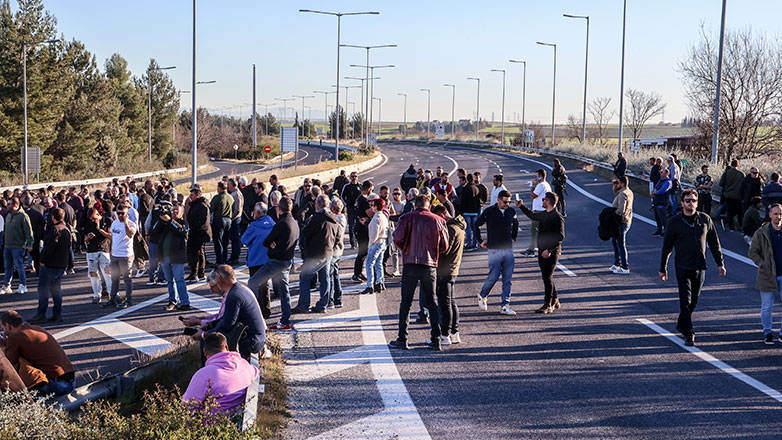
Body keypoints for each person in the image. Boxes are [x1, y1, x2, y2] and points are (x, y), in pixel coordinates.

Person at [659, 189, 726, 346]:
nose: (691, 203)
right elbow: (667, 247)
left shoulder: (704, 220)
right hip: (682, 266)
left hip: (700, 266)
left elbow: (714, 243)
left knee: (694, 301)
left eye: (694, 200)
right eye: (688, 200)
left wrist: (720, 263)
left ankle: (682, 323)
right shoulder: (674, 222)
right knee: (685, 300)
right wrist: (663, 268)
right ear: (682, 203)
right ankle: (689, 333)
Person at [389, 195, 449, 351]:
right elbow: (445, 245)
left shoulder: (406, 218)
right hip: (429, 264)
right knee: (432, 301)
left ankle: (403, 338)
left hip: (410, 263)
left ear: (415, 205)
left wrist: (405, 250)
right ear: (429, 206)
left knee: (406, 302)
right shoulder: (438, 220)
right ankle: (436, 339)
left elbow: (397, 237)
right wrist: (433, 253)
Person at [247, 196, 298, 331]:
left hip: (276, 261)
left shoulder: (281, 223)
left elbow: (266, 241)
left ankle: (253, 317)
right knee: (284, 292)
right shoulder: (294, 223)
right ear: (291, 208)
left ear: (279, 209)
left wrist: (272, 244)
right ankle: (285, 320)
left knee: (253, 282)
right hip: (287, 261)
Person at [1, 310, 75, 396]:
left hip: (58, 385)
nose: (4, 331)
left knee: (20, 360)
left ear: (8, 326)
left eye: (3, 328)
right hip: (71, 380)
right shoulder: (37, 328)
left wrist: (3, 345)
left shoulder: (14, 338)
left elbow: (9, 363)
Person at [182, 332, 259, 414]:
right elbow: (256, 372)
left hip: (213, 424)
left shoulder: (203, 375)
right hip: (240, 417)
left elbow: (187, 408)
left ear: (205, 352)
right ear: (226, 347)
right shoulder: (243, 364)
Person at [205, 265, 266, 361]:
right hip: (257, 337)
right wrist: (210, 325)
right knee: (214, 335)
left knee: (210, 343)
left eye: (216, 279)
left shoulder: (234, 296)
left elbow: (228, 325)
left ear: (220, 280)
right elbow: (227, 318)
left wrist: (205, 334)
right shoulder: (239, 289)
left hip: (252, 341)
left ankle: (209, 371)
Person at [517, 192, 565, 313]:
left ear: (548, 202)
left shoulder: (557, 217)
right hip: (542, 249)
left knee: (547, 276)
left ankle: (547, 304)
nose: (542, 201)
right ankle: (555, 299)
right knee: (546, 276)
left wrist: (549, 250)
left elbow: (560, 236)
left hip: (551, 251)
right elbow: (532, 215)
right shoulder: (544, 214)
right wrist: (521, 206)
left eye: (543, 199)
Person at [474, 190, 519, 315]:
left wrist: (513, 238)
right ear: (498, 200)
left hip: (508, 250)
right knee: (493, 277)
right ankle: (482, 295)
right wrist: (480, 241)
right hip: (494, 250)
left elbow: (515, 224)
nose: (507, 204)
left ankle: (505, 305)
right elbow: (476, 224)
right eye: (505, 201)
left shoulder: (511, 211)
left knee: (507, 279)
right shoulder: (490, 211)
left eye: (509, 202)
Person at [294, 195, 339, 314]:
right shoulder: (334, 218)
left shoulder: (317, 218)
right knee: (325, 279)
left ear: (318, 204)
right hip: (328, 252)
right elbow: (337, 237)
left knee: (304, 278)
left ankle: (304, 305)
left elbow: (306, 233)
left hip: (315, 253)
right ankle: (323, 305)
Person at [30, 208, 71, 324]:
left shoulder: (55, 229)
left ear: (53, 217)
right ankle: (57, 314)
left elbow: (49, 247)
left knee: (43, 289)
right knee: (56, 290)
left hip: (50, 264)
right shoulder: (66, 229)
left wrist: (42, 260)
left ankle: (41, 314)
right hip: (61, 264)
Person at [749, 203, 782, 345]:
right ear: (770, 215)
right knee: (767, 306)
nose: (778, 216)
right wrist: (763, 264)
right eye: (775, 214)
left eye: (780, 214)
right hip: (767, 274)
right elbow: (752, 252)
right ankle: (767, 332)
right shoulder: (762, 232)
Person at [432, 204, 465, 346]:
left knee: (445, 304)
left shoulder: (450, 228)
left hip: (446, 269)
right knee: (451, 302)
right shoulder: (459, 224)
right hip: (453, 269)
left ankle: (445, 334)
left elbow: (444, 250)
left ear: (441, 215)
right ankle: (454, 332)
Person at [241, 202, 275, 319]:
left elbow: (244, 240)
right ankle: (267, 310)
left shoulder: (254, 226)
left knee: (254, 286)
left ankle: (257, 312)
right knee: (265, 286)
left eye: (254, 211)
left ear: (258, 213)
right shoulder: (272, 223)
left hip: (255, 259)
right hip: (268, 259)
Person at [155, 203, 191, 311]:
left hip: (177, 257)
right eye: (173, 210)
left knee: (179, 279)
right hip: (164, 256)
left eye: (177, 211)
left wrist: (170, 220)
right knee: (169, 280)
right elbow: (155, 230)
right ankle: (172, 300)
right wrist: (162, 219)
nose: (175, 212)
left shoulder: (184, 223)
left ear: (182, 212)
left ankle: (185, 302)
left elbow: (181, 231)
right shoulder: (166, 223)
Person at [106, 204, 137, 309]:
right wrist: (110, 250)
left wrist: (125, 223)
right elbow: (112, 237)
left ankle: (129, 299)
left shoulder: (131, 224)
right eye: (118, 213)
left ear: (127, 213)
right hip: (114, 255)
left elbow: (130, 234)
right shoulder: (114, 223)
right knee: (114, 278)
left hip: (125, 255)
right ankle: (112, 298)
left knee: (127, 278)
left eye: (122, 213)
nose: (120, 215)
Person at [1, 197, 32, 295]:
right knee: (8, 267)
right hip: (8, 245)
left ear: (15, 205)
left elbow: (29, 232)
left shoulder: (23, 216)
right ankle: (6, 285)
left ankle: (23, 285)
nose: (7, 206)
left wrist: (29, 244)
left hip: (18, 246)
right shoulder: (8, 215)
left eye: (9, 204)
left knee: (19, 266)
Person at [83, 207, 112, 303]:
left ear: (98, 214)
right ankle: (96, 294)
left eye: (93, 218)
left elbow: (110, 235)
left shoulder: (107, 220)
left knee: (107, 273)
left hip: (104, 250)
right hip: (91, 251)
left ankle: (112, 293)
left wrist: (100, 229)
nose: (92, 220)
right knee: (93, 273)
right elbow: (85, 239)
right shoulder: (88, 223)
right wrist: (88, 238)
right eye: (91, 218)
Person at [522, 169, 552, 258]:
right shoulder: (547, 185)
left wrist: (533, 185)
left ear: (540, 176)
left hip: (538, 211)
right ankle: (542, 247)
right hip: (544, 211)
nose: (536, 177)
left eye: (537, 176)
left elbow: (533, 195)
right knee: (541, 231)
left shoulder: (540, 185)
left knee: (533, 231)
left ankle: (531, 250)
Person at [362, 198, 389, 295]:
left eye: (373, 205)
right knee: (379, 263)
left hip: (376, 243)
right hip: (383, 242)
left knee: (369, 264)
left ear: (376, 207)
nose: (371, 207)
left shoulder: (377, 217)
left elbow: (374, 234)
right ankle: (380, 282)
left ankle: (370, 285)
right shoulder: (383, 216)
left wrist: (370, 244)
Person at [186, 187, 211, 282]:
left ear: (198, 195)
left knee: (197, 253)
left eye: (192, 195)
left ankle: (196, 273)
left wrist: (193, 229)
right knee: (198, 252)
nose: (190, 197)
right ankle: (198, 272)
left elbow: (203, 221)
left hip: (199, 233)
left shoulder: (202, 206)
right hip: (196, 232)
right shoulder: (195, 205)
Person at [611, 176, 634, 274]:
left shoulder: (623, 194)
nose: (617, 184)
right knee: (615, 242)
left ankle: (624, 267)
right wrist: (615, 188)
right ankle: (617, 263)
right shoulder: (629, 192)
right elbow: (618, 196)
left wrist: (611, 214)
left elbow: (620, 210)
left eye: (619, 183)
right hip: (627, 220)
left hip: (621, 222)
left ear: (622, 183)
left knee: (620, 244)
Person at [352, 180, 373, 282]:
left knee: (363, 252)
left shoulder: (358, 198)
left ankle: (359, 272)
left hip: (359, 227)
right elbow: (369, 213)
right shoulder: (363, 200)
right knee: (362, 252)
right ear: (368, 189)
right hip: (361, 228)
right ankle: (356, 273)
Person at [329, 198, 347, 308]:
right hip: (339, 249)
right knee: (335, 273)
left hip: (334, 249)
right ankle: (337, 298)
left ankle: (331, 299)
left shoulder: (335, 219)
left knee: (330, 275)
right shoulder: (342, 218)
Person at [210, 181, 234, 266]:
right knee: (225, 241)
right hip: (229, 220)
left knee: (218, 241)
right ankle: (224, 259)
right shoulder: (230, 197)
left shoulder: (217, 198)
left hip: (219, 220)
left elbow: (211, 209)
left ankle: (219, 260)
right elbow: (233, 208)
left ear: (219, 188)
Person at [718, 159, 745, 231]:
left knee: (730, 211)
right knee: (739, 211)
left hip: (728, 195)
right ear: (737, 165)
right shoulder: (741, 174)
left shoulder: (727, 173)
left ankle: (731, 227)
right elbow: (744, 186)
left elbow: (721, 183)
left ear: (731, 164)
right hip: (738, 196)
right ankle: (741, 226)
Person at [459, 174, 481, 250]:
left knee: (468, 228)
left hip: (466, 211)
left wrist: (461, 210)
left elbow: (463, 201)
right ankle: (475, 243)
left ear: (467, 180)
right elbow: (478, 201)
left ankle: (469, 243)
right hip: (474, 211)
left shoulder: (465, 189)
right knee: (475, 228)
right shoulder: (476, 188)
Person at [341, 172, 362, 249]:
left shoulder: (360, 186)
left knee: (359, 225)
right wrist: (346, 205)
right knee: (351, 226)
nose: (354, 178)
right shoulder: (347, 186)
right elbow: (342, 196)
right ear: (350, 177)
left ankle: (359, 241)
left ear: (357, 177)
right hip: (350, 208)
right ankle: (353, 243)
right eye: (352, 176)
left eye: (355, 176)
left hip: (359, 209)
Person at [650, 168, 673, 237]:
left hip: (663, 202)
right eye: (660, 172)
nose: (660, 173)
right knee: (657, 217)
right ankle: (659, 230)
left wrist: (654, 192)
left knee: (663, 218)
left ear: (666, 173)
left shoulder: (667, 182)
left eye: (662, 172)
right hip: (657, 201)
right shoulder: (661, 180)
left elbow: (663, 190)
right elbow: (656, 187)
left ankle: (666, 232)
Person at [227, 179, 244, 265]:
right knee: (234, 238)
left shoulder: (236, 194)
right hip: (236, 218)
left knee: (235, 238)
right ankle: (233, 255)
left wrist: (231, 218)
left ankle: (235, 256)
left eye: (229, 185)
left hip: (235, 218)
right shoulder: (236, 193)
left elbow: (237, 209)